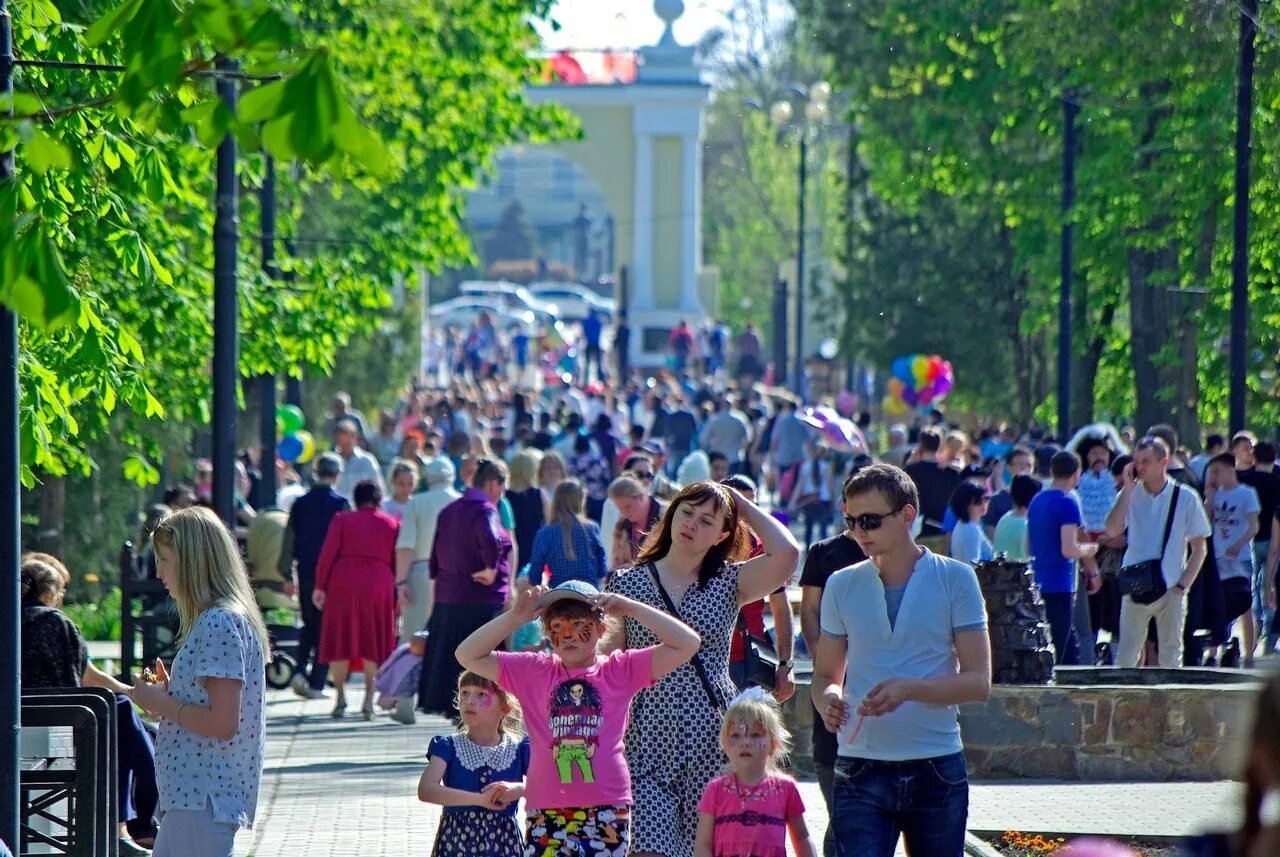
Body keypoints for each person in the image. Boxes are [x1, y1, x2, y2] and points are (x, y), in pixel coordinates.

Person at [603, 481, 801, 857]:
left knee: (709, 848)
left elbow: (788, 553)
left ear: (724, 533)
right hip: (646, 733)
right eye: (686, 512)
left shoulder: (731, 581)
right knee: (646, 845)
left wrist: (740, 504)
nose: (692, 524)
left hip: (713, 731)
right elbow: (610, 662)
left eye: (707, 520)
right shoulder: (626, 583)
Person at [812, 464, 991, 857]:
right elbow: (825, 675)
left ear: (907, 515)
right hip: (860, 766)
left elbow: (978, 682)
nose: (859, 532)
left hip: (936, 766)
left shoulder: (956, 579)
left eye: (871, 521)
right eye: (851, 521)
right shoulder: (842, 583)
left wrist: (907, 689)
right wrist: (828, 699)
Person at [457, 580, 701, 855]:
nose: (568, 635)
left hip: (607, 809)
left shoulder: (620, 669)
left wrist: (631, 608)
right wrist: (515, 617)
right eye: (557, 626)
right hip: (546, 809)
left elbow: (688, 643)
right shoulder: (532, 671)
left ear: (601, 628)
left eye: (578, 623)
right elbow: (466, 654)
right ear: (548, 634)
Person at [130, 507, 268, 857]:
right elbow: (212, 708)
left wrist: (163, 703)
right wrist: (172, 694)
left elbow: (223, 723)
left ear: (193, 561)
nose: (158, 571)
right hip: (198, 795)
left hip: (202, 795)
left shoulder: (219, 622)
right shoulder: (222, 619)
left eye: (164, 560)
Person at [21, 559, 159, 855]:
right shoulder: (55, 622)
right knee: (120, 715)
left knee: (126, 716)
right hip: (60, 727)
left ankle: (136, 824)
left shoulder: (9, 621)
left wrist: (130, 692)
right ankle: (129, 825)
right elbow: (85, 676)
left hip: (20, 724)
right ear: (51, 594)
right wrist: (132, 694)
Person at [798, 478, 868, 857]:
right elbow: (809, 609)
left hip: (876, 691)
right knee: (839, 804)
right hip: (833, 685)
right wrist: (824, 654)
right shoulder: (824, 552)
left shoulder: (888, 556)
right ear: (843, 506)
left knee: (855, 817)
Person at [1104, 436, 1212, 668]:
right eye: (1136, 461)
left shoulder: (1186, 497)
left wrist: (1182, 586)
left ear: (1163, 462)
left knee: (1171, 658)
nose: (1139, 466)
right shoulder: (1130, 494)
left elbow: (1199, 547)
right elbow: (1112, 530)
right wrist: (1126, 489)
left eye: (1146, 461)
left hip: (1171, 587)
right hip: (1135, 585)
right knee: (1126, 657)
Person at [418, 459, 513, 716]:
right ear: (494, 484)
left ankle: (462, 720)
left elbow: (435, 555)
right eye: (502, 487)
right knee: (481, 668)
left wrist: (439, 578)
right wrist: (492, 568)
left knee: (450, 669)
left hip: (447, 597)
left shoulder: (449, 510)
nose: (502, 493)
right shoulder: (485, 510)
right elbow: (491, 538)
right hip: (479, 602)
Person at [312, 480, 400, 719]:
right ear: (379, 499)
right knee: (373, 643)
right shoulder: (391, 524)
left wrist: (320, 585)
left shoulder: (342, 520)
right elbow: (397, 559)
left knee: (340, 640)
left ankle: (340, 697)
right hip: (378, 585)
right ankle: (369, 701)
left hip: (344, 583)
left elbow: (327, 554)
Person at [417, 671, 530, 856]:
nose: (469, 700)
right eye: (465, 693)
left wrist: (519, 788)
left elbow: (547, 785)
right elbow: (426, 790)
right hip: (457, 843)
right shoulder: (448, 746)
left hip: (503, 845)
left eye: (481, 694)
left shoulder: (519, 749)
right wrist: (479, 800)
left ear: (505, 708)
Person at [694, 688, 818, 857]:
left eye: (755, 735)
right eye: (736, 735)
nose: (745, 742)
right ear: (724, 743)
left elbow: (802, 837)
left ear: (773, 744)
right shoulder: (715, 790)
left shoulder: (786, 789)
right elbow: (703, 842)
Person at [280, 451, 350, 699]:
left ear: (316, 472)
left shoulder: (300, 503)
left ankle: (300, 670)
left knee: (309, 624)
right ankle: (317, 682)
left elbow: (289, 540)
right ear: (337, 475)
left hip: (306, 571)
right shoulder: (341, 504)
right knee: (327, 629)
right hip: (334, 576)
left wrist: (286, 573)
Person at [722, 475, 795, 702]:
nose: (743, 516)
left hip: (749, 661)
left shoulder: (763, 551)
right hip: (705, 659)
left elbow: (781, 610)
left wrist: (785, 664)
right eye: (737, 506)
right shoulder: (700, 548)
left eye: (750, 507)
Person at [1027, 451, 1099, 665]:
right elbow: (1068, 549)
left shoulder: (1036, 501)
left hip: (1037, 582)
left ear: (1051, 471)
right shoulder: (1068, 502)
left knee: (1049, 644)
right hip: (1059, 584)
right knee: (1063, 647)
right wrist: (1089, 549)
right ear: (1076, 474)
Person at [394, 458, 460, 649]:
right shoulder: (462, 502)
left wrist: (401, 582)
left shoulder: (417, 502)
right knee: (450, 638)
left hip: (422, 573)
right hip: (455, 575)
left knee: (413, 637)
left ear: (427, 478)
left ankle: (410, 678)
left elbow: (406, 544)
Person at [1205, 453, 1261, 667]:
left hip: (1241, 557)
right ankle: (1212, 650)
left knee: (1245, 604)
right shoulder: (1216, 495)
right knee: (1218, 603)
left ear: (1230, 470)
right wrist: (1209, 497)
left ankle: (1249, 653)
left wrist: (1238, 544)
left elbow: (1253, 525)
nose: (1215, 476)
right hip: (1218, 556)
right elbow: (1206, 520)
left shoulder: (1246, 493)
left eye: (1217, 471)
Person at [518, 478, 607, 589]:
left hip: (559, 593)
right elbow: (602, 564)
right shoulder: (592, 528)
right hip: (589, 592)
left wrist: (536, 583)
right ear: (580, 500)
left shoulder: (544, 533)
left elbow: (535, 569)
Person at [1239, 441, 1280, 655]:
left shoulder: (1245, 481)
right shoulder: (1278, 481)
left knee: (1250, 593)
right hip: (1275, 541)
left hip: (1249, 541)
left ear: (1254, 458)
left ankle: (1251, 639)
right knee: (1271, 591)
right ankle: (1269, 643)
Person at [904, 428, 961, 551]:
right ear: (939, 446)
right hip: (943, 530)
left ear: (920, 446)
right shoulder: (951, 472)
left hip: (916, 530)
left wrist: (909, 462)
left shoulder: (911, 470)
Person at [608, 475, 663, 569]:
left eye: (627, 506)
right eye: (620, 509)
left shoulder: (665, 518)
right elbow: (616, 563)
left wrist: (635, 568)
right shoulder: (621, 525)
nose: (624, 513)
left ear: (641, 497)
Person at [506, 448, 547, 574]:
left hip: (512, 546)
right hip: (535, 547)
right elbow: (547, 521)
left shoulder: (506, 496)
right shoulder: (538, 494)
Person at [790, 442, 834, 547]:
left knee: (808, 527)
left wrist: (792, 502)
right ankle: (824, 550)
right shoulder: (827, 466)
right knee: (823, 528)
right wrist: (832, 499)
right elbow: (830, 485)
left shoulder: (805, 466)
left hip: (809, 499)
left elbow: (799, 486)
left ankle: (807, 551)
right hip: (824, 499)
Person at [992, 475, 1041, 559]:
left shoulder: (1004, 518)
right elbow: (1027, 558)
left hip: (999, 570)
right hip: (1016, 571)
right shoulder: (1026, 524)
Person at [570, 433, 612, 523]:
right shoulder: (599, 461)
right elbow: (607, 479)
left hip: (579, 498)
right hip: (598, 498)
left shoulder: (573, 462)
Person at [948, 482, 993, 565]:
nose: (983, 505)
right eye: (977, 502)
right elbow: (973, 566)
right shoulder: (971, 530)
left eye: (986, 499)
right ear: (965, 505)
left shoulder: (964, 525)